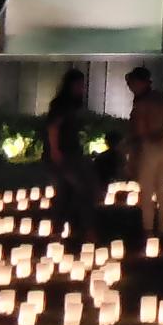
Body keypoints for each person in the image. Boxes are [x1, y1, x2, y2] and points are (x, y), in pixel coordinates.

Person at [44, 68, 102, 242]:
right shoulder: (61, 104)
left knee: (68, 193)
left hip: (72, 152)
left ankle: (65, 230)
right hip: (63, 155)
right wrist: (55, 151)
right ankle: (84, 230)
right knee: (79, 190)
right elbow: (53, 127)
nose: (81, 88)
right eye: (79, 85)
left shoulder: (74, 105)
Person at [123, 66, 163, 239]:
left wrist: (132, 151)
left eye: (132, 83)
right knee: (160, 189)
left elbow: (138, 129)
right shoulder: (161, 99)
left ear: (140, 82)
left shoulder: (142, 103)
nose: (130, 87)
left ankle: (148, 230)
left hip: (148, 146)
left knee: (146, 190)